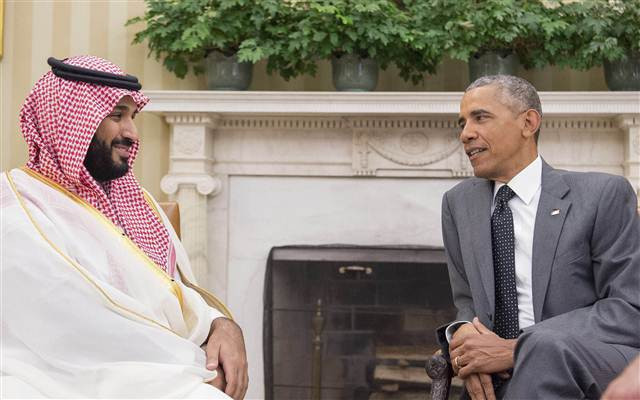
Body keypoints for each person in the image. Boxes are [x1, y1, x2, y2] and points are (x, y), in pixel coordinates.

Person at [0, 56, 248, 398]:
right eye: (117, 116)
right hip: (66, 374)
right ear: (71, 122)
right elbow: (71, 326)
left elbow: (173, 291)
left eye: (132, 117)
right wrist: (192, 365)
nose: (131, 133)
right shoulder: (17, 209)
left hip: (152, 363)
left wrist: (222, 325)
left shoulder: (137, 204)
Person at [438, 75, 639, 399]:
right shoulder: (458, 204)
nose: (465, 134)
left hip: (587, 360)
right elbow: (466, 303)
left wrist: (518, 348)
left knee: (544, 353)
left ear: (528, 123)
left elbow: (629, 308)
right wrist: (464, 338)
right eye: (462, 123)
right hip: (500, 378)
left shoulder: (601, 195)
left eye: (480, 117)